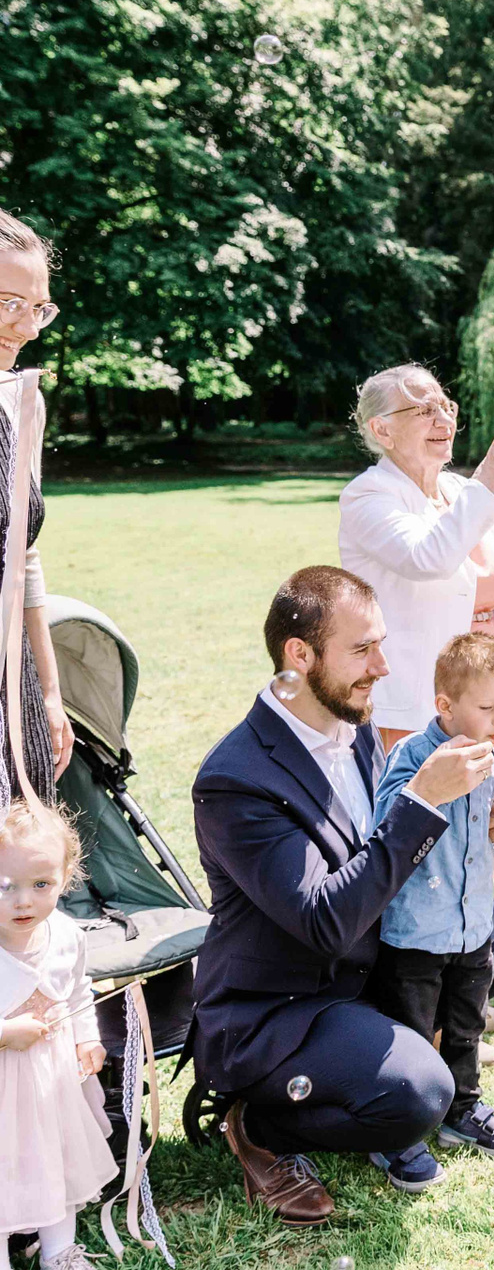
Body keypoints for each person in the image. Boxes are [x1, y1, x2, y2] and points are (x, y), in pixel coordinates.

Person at [191, 567, 494, 1217]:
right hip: (286, 1006)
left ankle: (416, 1028)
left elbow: (378, 857)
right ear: (299, 655)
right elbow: (325, 921)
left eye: (381, 645)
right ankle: (259, 1125)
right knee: (421, 1096)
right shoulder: (235, 779)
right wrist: (422, 803)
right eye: (362, 650)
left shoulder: (354, 724)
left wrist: (478, 828)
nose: (383, 667)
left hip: (370, 961)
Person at [335, 364, 494, 886]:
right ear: (382, 430)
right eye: (423, 410)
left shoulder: (461, 490)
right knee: (426, 852)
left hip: (488, 696)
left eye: (446, 406)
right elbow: (429, 557)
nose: (443, 419)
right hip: (425, 702)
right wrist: (493, 472)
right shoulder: (368, 496)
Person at [370, 634, 494, 1171]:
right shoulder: (413, 755)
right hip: (415, 933)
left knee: (464, 1026)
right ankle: (398, 1125)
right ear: (446, 705)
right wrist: (432, 790)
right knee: (410, 1034)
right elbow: (385, 822)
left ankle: (462, 1108)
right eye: (487, 708)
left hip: (472, 927)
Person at [0, 802, 116, 1270]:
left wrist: (87, 1038)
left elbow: (77, 991)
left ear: (66, 877)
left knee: (57, 1161)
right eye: (4, 886)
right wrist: (5, 1033)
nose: (23, 902)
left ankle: (58, 1250)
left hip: (52, 1086)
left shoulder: (67, 935)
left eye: (41, 885)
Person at [0, 209, 76, 802]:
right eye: (9, 303)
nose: (26, 327)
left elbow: (23, 558)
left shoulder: (24, 403)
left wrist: (49, 692)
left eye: (38, 308)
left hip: (10, 671)